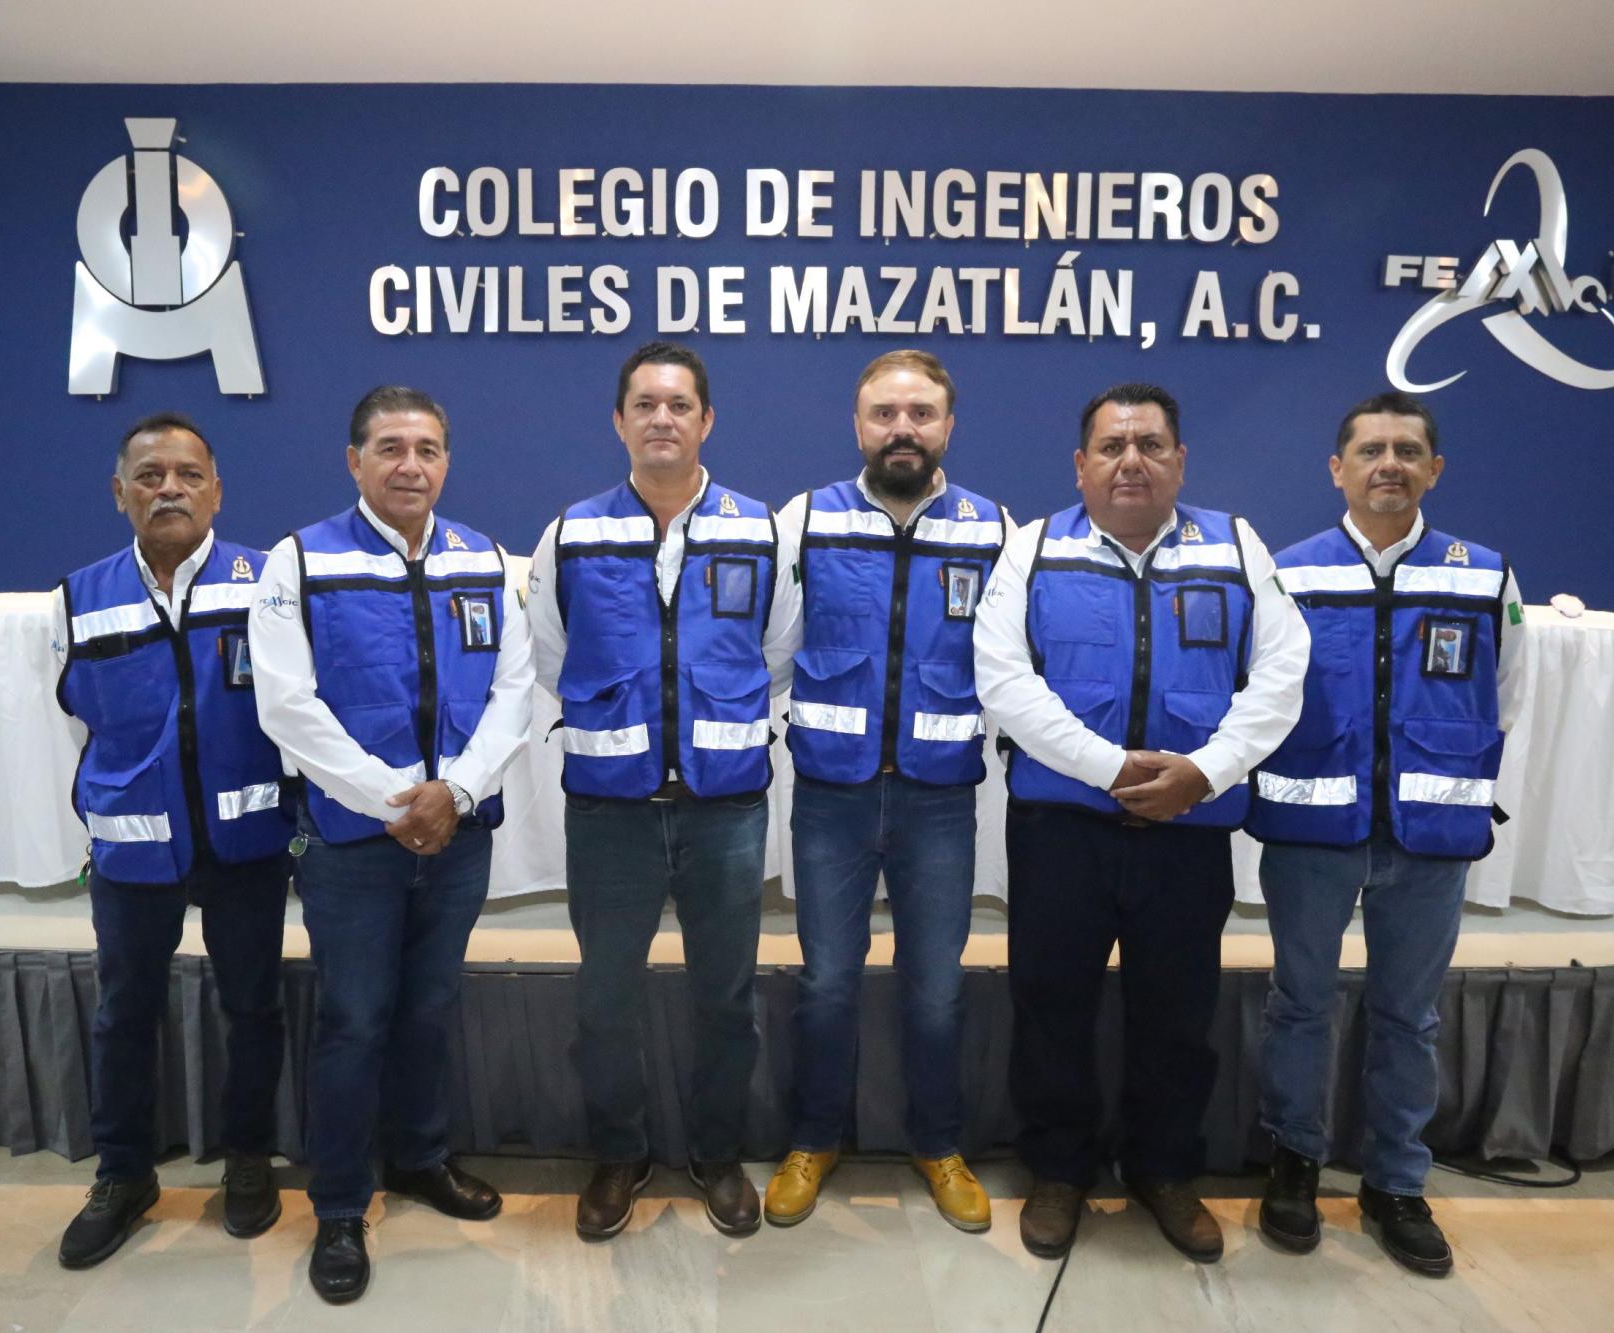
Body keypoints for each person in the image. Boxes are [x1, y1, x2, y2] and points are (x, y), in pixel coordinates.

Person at [972, 382, 1308, 1262]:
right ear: (1081, 465)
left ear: (1180, 461)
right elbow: (1004, 679)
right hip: (1062, 832)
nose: (1132, 461)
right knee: (1051, 1006)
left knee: (1176, 1013)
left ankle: (1164, 1168)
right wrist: (1113, 769)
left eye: (1151, 445)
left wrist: (1203, 772)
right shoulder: (1033, 549)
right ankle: (1058, 1170)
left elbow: (1282, 673)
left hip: (1189, 833)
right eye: (1113, 447)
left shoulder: (1236, 547)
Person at [249, 386, 533, 1303]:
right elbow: (288, 707)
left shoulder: (486, 559)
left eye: (428, 448)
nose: (410, 464)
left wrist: (455, 792)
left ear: (447, 460)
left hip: (458, 837)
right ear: (354, 459)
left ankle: (419, 1158)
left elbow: (514, 694)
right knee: (354, 1020)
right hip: (352, 844)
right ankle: (338, 1203)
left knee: (425, 1010)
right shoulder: (300, 561)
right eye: (390, 447)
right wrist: (391, 801)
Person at [525, 341, 799, 1241]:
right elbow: (551, 659)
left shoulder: (760, 530)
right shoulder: (572, 531)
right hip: (610, 812)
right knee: (606, 997)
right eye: (644, 404)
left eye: (679, 404)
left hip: (725, 809)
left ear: (707, 420)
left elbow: (778, 657)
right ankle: (619, 1153)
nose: (662, 419)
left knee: (726, 996)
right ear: (619, 420)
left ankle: (716, 1155)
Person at [1247, 391, 1524, 1278]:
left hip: (1428, 841)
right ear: (1338, 468)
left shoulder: (1483, 573)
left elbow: (1508, 694)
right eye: (1370, 449)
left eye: (1408, 449)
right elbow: (1260, 697)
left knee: (1410, 1016)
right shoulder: (1289, 573)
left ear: (1434, 469)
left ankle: (1396, 1181)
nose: (1389, 464)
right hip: (1310, 832)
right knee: (1299, 1003)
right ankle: (1294, 1158)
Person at [763, 350, 1006, 1231]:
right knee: (828, 981)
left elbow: (1010, 665)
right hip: (831, 797)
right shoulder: (804, 521)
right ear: (857, 424)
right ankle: (814, 1138)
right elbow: (768, 649)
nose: (902, 429)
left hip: (940, 802)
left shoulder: (992, 529)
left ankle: (937, 1143)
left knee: (936, 985)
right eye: (884, 414)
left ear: (949, 426)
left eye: (921, 414)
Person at [52, 412, 293, 1269]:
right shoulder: (76, 598)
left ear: (217, 489)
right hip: (132, 855)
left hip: (247, 847)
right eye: (149, 475)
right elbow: (62, 725)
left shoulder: (268, 582)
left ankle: (248, 1159)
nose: (169, 489)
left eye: (188, 474)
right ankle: (123, 1174)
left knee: (253, 1009)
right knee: (125, 1015)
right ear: (119, 493)